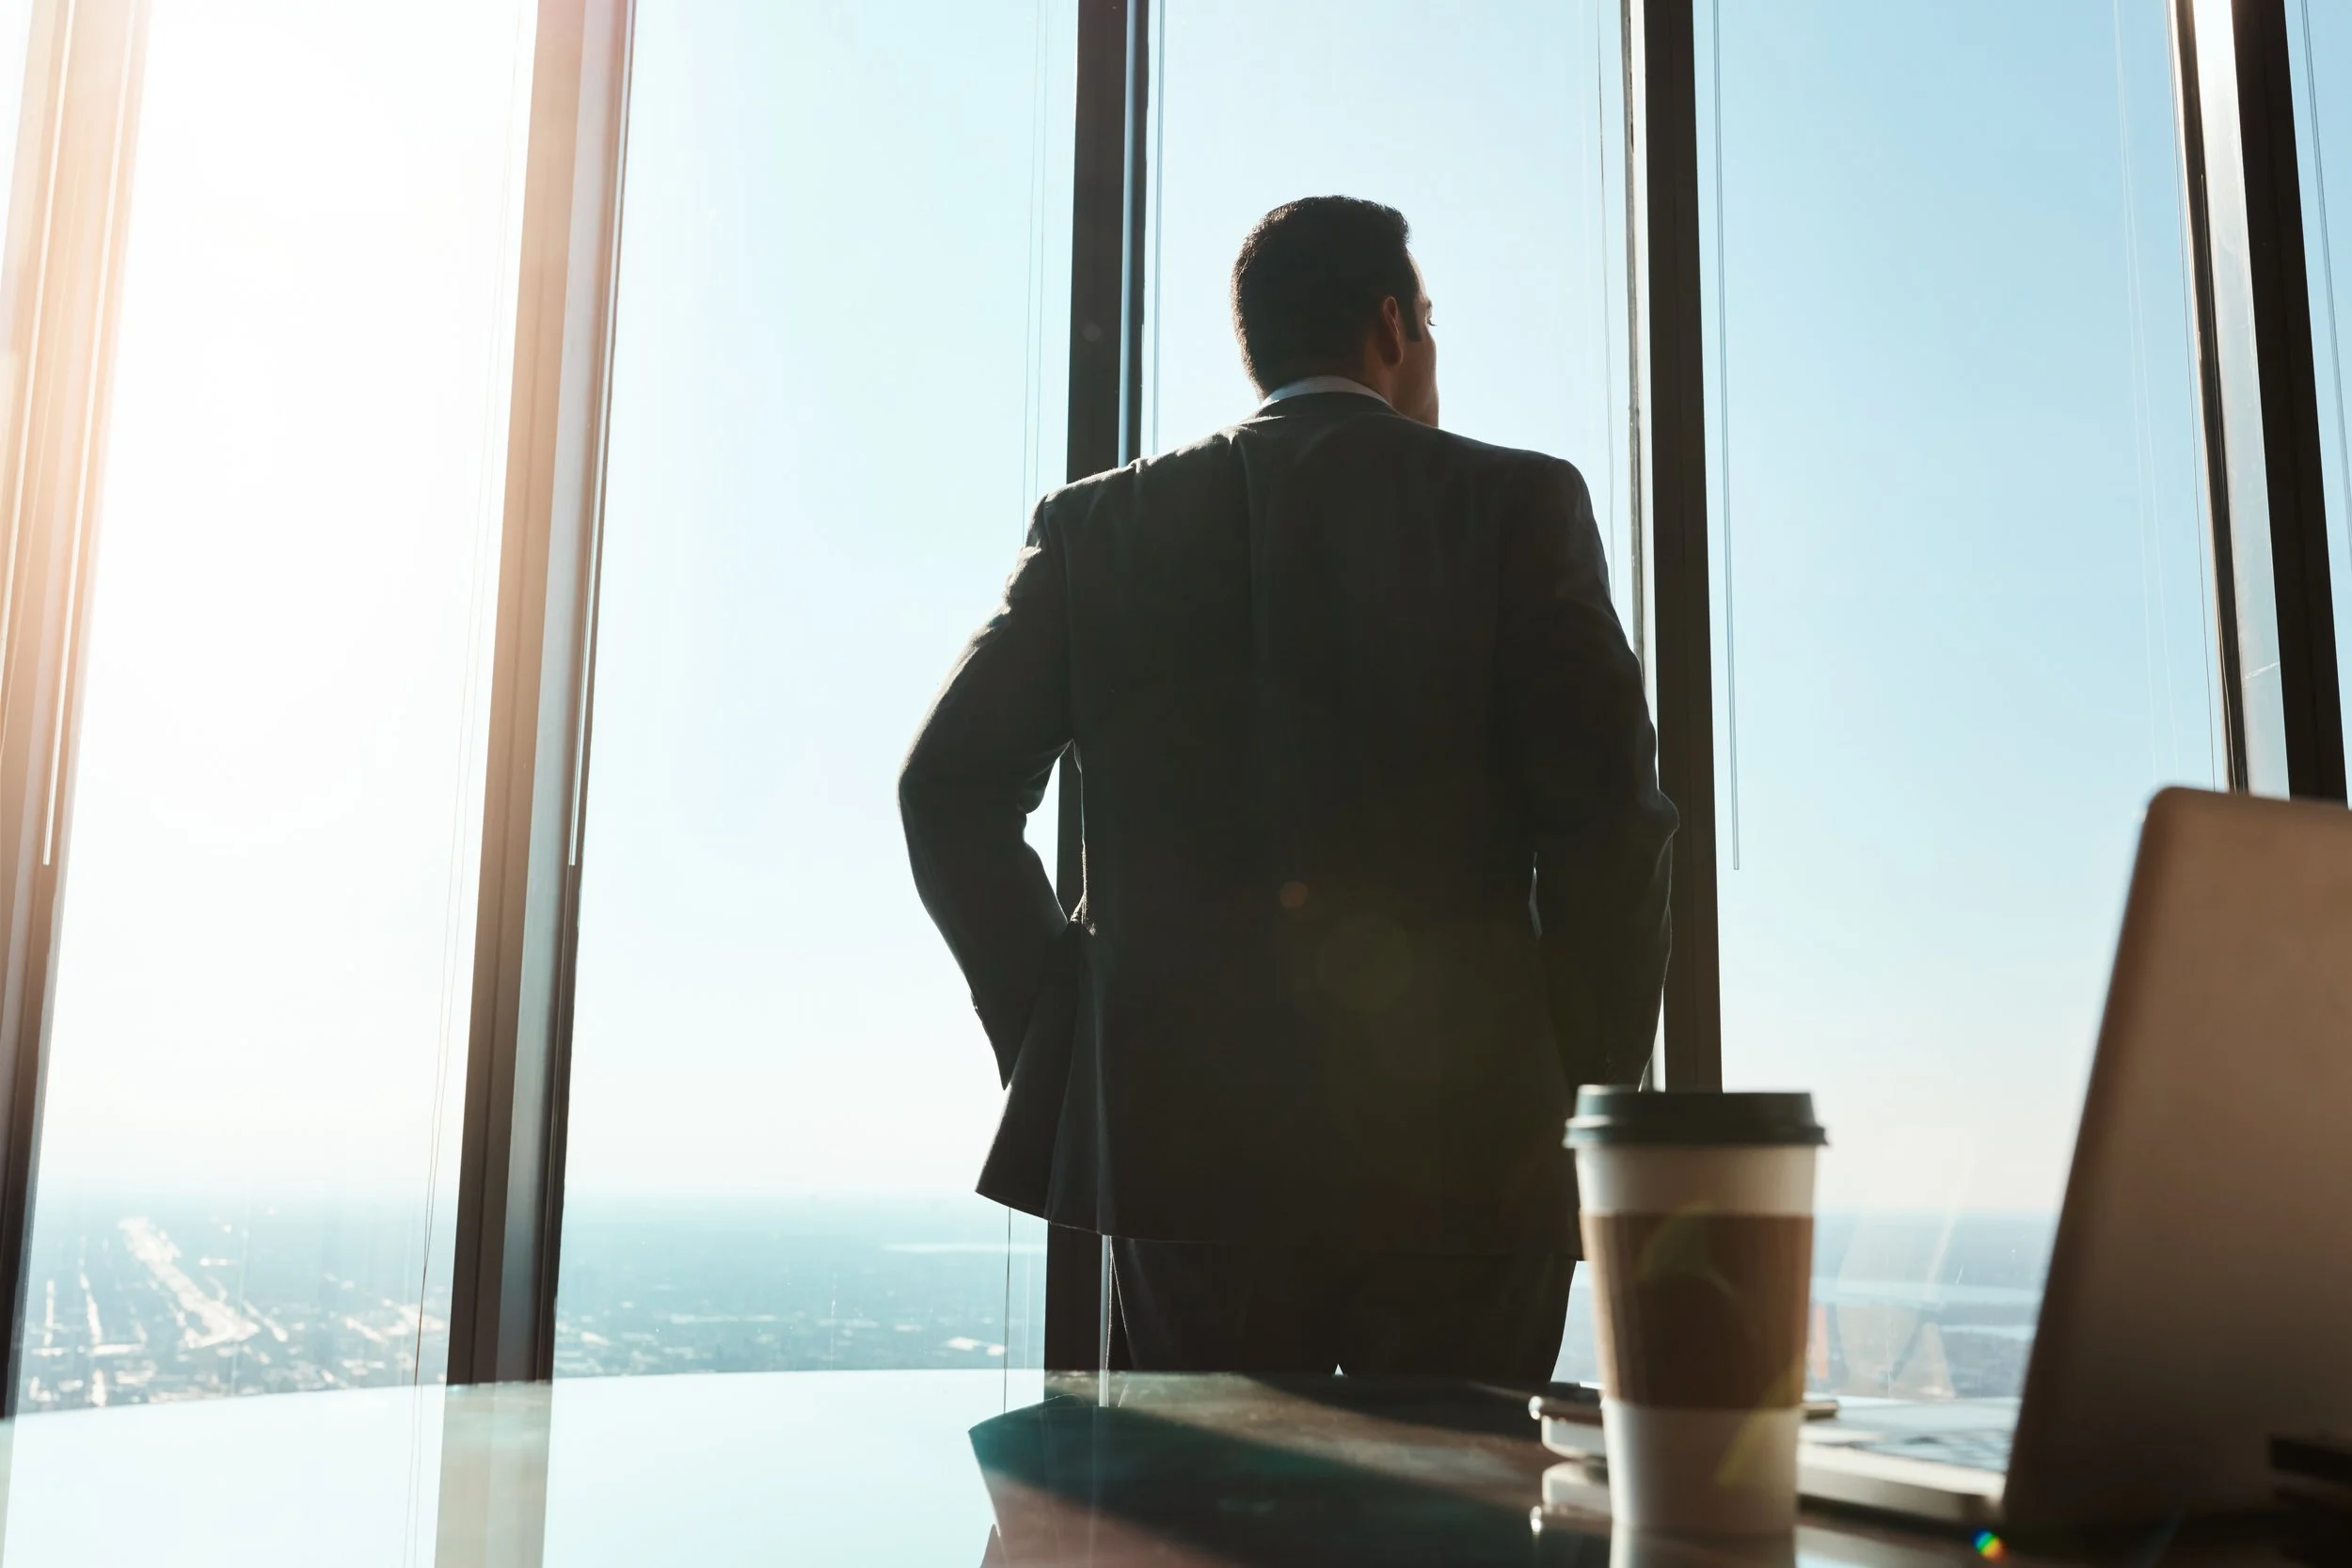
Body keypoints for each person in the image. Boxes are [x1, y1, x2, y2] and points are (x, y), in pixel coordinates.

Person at [900, 196, 1676, 1382]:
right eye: (1429, 320)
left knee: (1209, 1489)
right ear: (1390, 325)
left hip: (1178, 1147)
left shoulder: (1099, 526)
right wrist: (1571, 1089)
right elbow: (1612, 825)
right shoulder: (1519, 506)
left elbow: (945, 788)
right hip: (1473, 1148)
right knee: (1457, 1484)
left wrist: (1075, 1033)